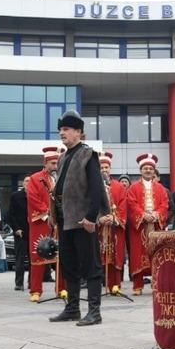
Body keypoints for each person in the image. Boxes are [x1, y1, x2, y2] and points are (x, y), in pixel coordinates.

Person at [48, 111, 105, 326]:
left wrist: (91, 217)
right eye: (61, 130)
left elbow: (97, 188)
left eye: (66, 129)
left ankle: (94, 312)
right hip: (65, 219)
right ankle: (72, 308)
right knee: (69, 264)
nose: (62, 133)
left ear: (78, 132)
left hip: (83, 220)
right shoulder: (63, 157)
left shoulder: (88, 154)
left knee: (91, 265)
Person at [26, 146, 66, 302]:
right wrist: (48, 213)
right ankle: (36, 290)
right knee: (38, 254)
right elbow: (33, 198)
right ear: (45, 163)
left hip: (60, 222)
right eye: (53, 163)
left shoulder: (61, 178)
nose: (55, 167)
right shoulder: (36, 178)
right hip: (41, 222)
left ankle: (62, 288)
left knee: (61, 256)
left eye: (57, 163)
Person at [126, 153, 168, 296]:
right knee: (138, 254)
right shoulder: (133, 188)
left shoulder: (161, 188)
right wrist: (143, 215)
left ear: (154, 171)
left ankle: (157, 284)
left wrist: (156, 215)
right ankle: (137, 286)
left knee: (157, 254)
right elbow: (131, 204)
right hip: (140, 226)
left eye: (150, 168)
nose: (148, 170)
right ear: (140, 170)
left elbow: (164, 204)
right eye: (145, 168)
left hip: (155, 224)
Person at [98, 151, 127, 294]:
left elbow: (123, 204)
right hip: (100, 227)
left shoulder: (119, 186)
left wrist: (115, 218)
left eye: (106, 167)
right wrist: (99, 218)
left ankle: (116, 285)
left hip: (115, 226)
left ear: (110, 168)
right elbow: (90, 204)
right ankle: (100, 285)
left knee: (116, 254)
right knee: (100, 255)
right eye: (101, 167)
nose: (104, 170)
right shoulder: (93, 186)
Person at [8, 176, 30, 291]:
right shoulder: (15, 196)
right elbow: (11, 214)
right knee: (20, 259)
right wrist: (16, 229)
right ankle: (19, 283)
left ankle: (32, 282)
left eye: (31, 181)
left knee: (33, 259)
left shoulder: (35, 195)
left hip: (33, 231)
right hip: (20, 232)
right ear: (23, 183)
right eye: (26, 181)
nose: (29, 183)